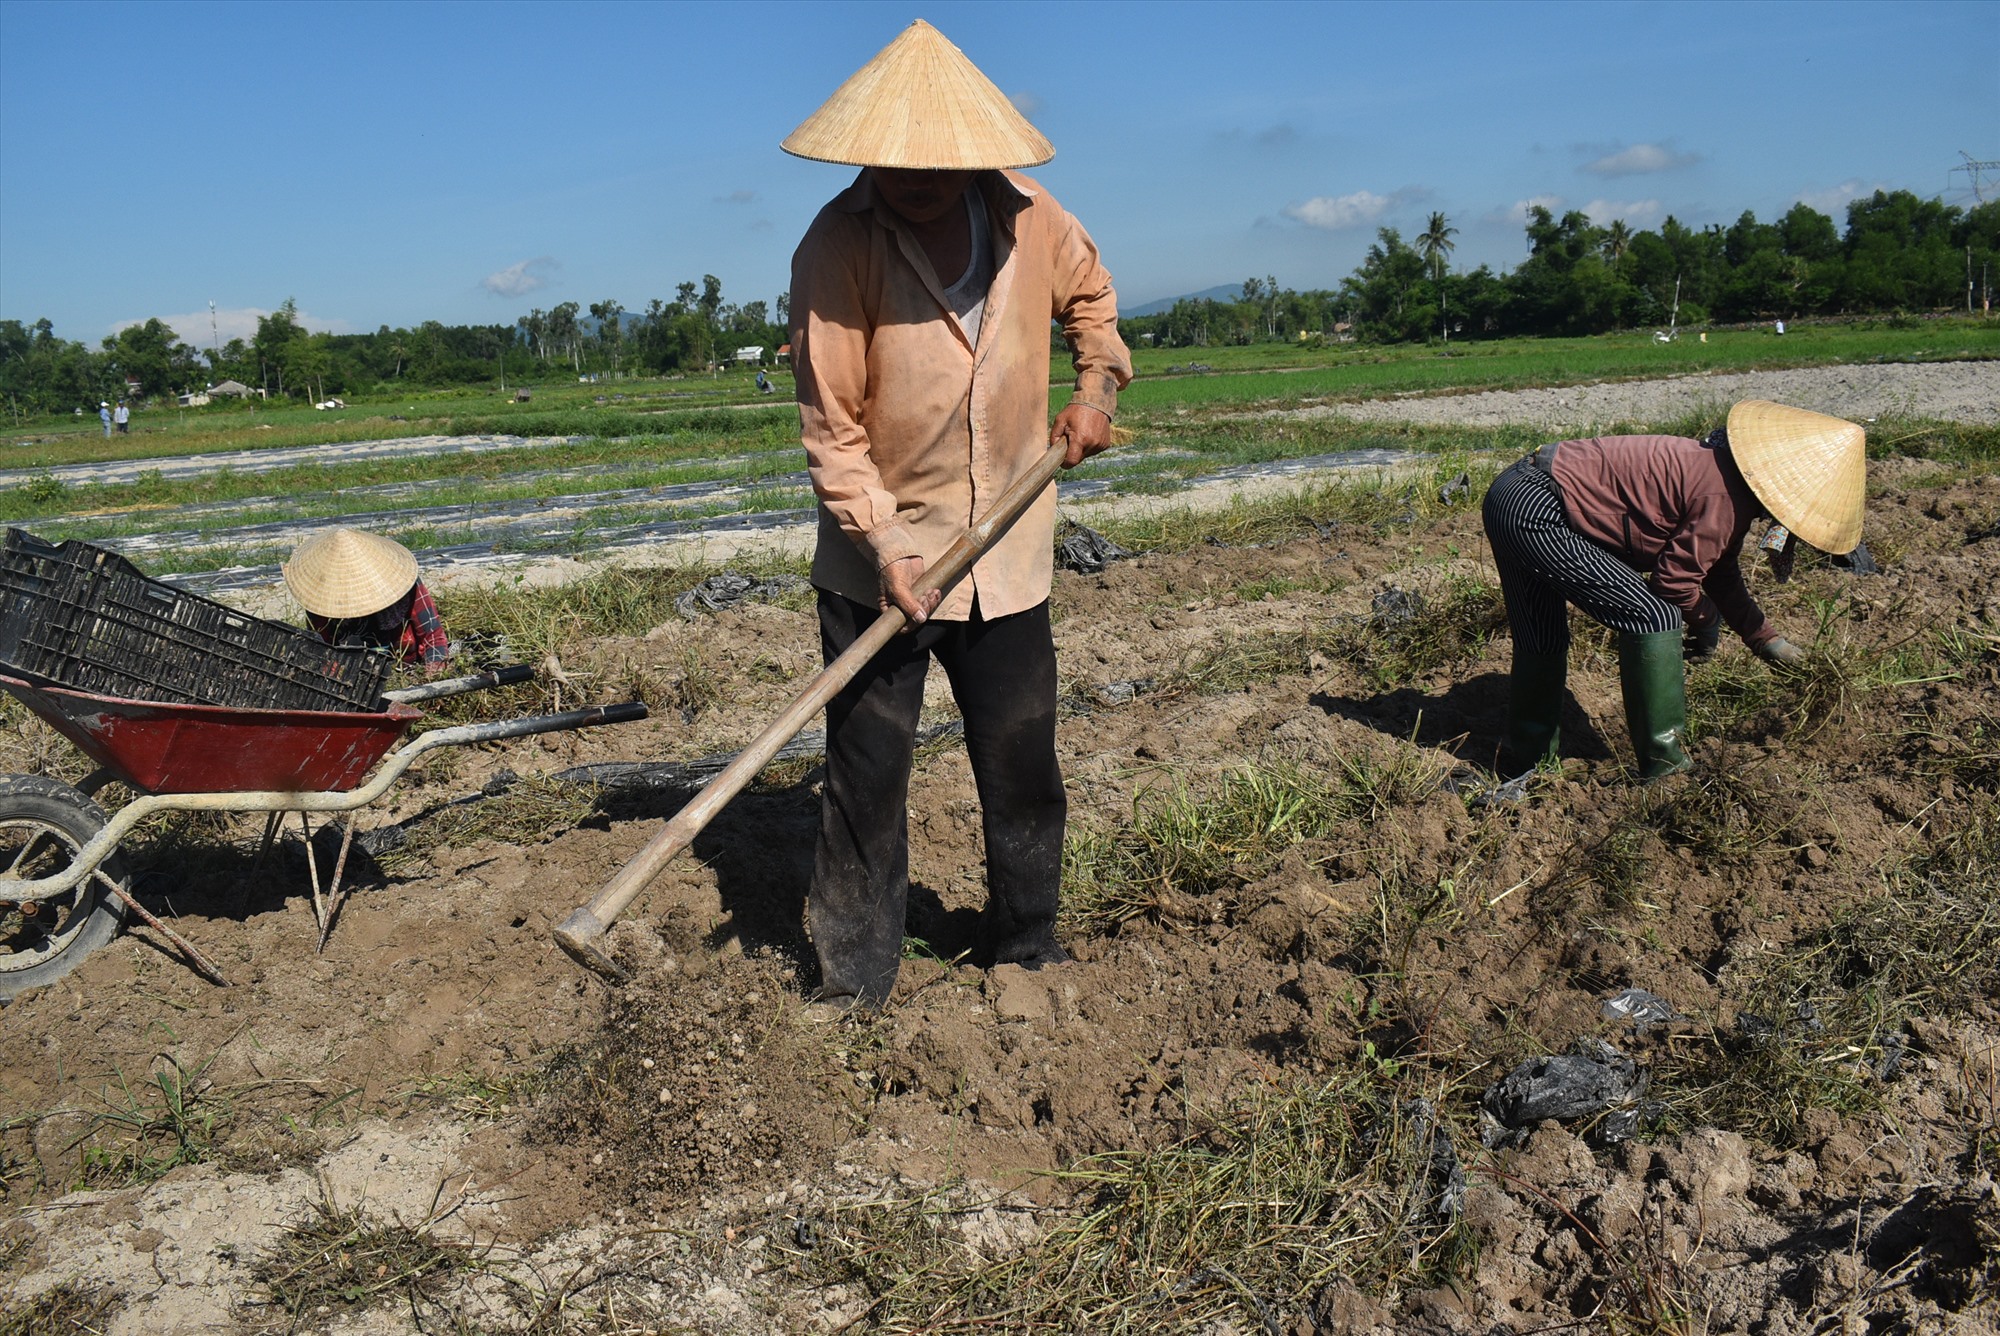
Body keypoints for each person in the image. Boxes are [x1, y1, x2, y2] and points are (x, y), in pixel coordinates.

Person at [783, 19, 1130, 1012]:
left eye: (938, 162)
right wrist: (889, 545)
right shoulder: (836, 250)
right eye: (899, 163)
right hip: (875, 568)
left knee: (1020, 756)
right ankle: (852, 982)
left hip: (1007, 552)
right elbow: (833, 430)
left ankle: (1024, 944)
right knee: (865, 777)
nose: (918, 178)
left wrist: (1095, 389)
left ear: (976, 150)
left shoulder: (1030, 218)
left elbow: (1093, 301)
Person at [1481, 400, 1865, 780]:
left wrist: (1764, 639)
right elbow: (1673, 582)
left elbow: (1718, 569)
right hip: (1541, 508)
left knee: (1542, 635)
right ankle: (1665, 770)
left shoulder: (1724, 472)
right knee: (1654, 615)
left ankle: (1533, 764)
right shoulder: (1725, 497)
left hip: (1514, 493)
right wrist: (1707, 619)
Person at [281, 528, 452, 673]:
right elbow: (324, 651)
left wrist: (433, 674)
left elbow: (433, 637)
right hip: (353, 675)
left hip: (405, 669)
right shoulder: (320, 598)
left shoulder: (405, 584)